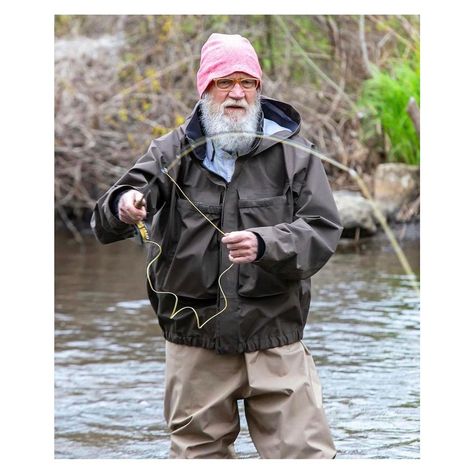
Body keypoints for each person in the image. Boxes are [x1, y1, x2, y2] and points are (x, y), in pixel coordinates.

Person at [91, 33, 343, 459]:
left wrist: (266, 243)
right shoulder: (170, 150)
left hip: (275, 333)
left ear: (259, 91)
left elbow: (322, 230)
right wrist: (123, 205)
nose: (237, 93)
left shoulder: (294, 153)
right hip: (195, 339)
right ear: (205, 88)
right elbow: (106, 218)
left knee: (307, 456)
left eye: (248, 83)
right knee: (197, 456)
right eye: (225, 82)